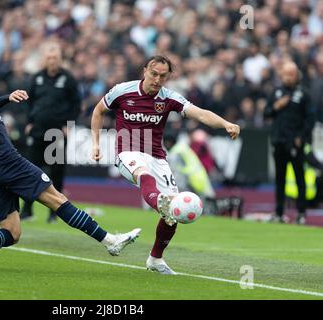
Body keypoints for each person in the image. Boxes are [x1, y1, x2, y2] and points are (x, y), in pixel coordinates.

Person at [0, 56, 140, 269]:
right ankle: (111, 241)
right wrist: (8, 97)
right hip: (8, 163)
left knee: (12, 232)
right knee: (57, 199)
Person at [91, 55, 240, 275]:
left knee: (173, 214)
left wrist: (225, 123)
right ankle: (159, 200)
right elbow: (98, 111)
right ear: (144, 71)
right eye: (154, 74)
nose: (157, 80)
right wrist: (95, 143)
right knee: (144, 174)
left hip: (158, 157)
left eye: (163, 76)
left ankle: (155, 259)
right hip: (128, 152)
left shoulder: (169, 98)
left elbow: (199, 114)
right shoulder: (123, 91)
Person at [20, 42, 81, 223]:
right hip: (37, 129)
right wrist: (29, 122)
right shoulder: (36, 78)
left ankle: (55, 212)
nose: (52, 61)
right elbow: (27, 102)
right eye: (49, 57)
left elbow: (76, 105)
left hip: (57, 132)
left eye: (55, 58)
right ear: (44, 59)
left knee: (56, 172)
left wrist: (68, 125)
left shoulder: (68, 79)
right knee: (31, 170)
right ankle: (27, 209)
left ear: (60, 59)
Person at [264, 61, 314, 225]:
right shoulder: (276, 92)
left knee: (300, 178)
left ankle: (301, 213)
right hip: (278, 141)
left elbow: (310, 119)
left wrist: (302, 137)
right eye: (285, 74)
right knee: (280, 179)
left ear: (296, 75)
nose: (288, 77)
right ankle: (279, 212)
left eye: (291, 74)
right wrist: (276, 106)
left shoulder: (304, 94)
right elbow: (266, 113)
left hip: (296, 143)